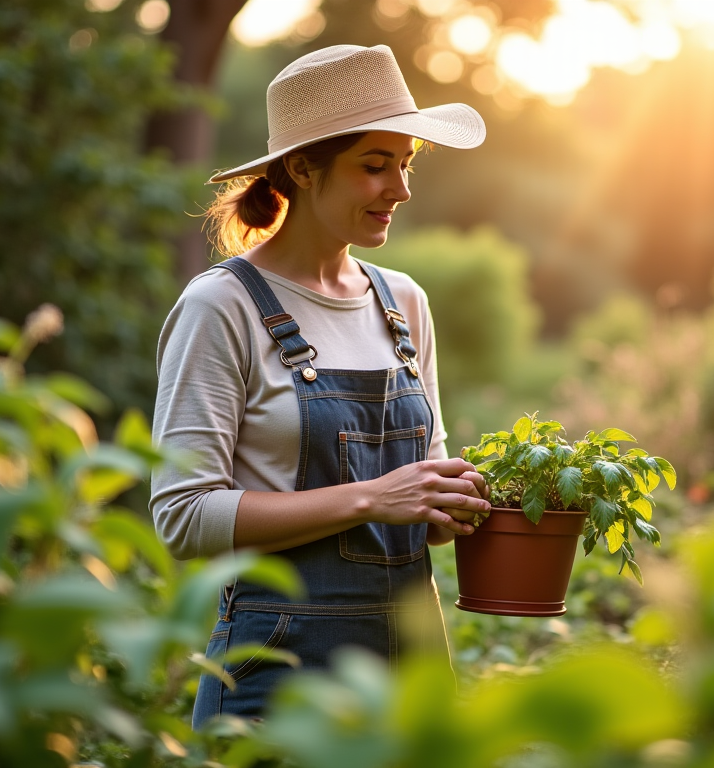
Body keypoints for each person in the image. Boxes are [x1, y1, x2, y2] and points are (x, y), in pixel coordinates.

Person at [148, 44, 491, 727]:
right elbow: (182, 515)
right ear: (303, 168)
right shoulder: (222, 306)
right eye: (375, 165)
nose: (401, 188)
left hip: (411, 676)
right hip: (275, 683)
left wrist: (464, 502)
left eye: (405, 164)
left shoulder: (404, 304)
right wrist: (373, 496)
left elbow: (421, 504)